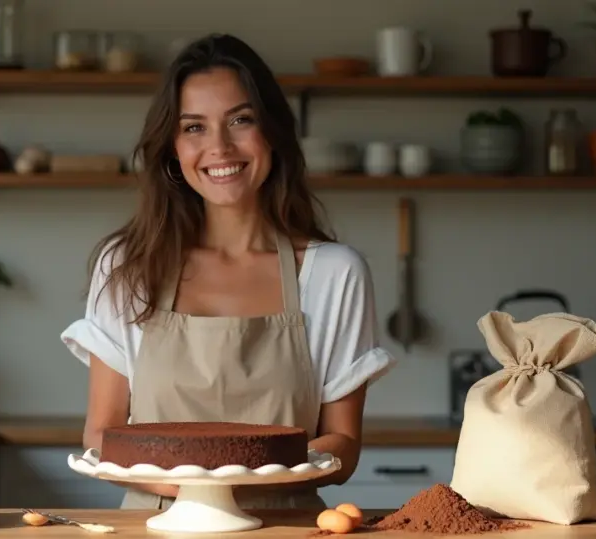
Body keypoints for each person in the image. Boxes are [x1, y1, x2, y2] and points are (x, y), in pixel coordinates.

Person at [60, 33, 396, 511]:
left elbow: (343, 442)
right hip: (157, 527)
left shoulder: (335, 274)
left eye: (240, 120)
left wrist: (230, 484)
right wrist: (204, 493)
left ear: (272, 132)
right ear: (172, 148)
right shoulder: (128, 266)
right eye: (194, 127)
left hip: (287, 528)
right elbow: (101, 432)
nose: (219, 146)